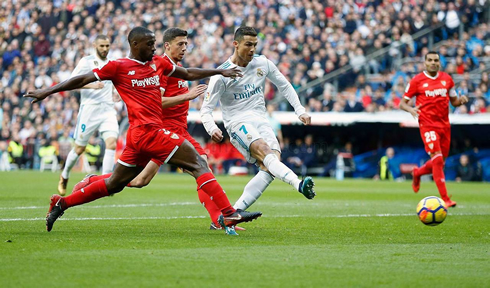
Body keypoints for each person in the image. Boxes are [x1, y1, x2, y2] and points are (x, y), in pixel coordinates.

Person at [24, 26, 261, 233]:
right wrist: (47, 91)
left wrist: (219, 71)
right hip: (150, 132)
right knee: (198, 162)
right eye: (150, 45)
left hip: (142, 136)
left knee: (115, 184)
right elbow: (81, 79)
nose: (154, 49)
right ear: (134, 45)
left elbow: (188, 73)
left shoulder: (158, 63)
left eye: (155, 45)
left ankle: (61, 203)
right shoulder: (118, 67)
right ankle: (228, 213)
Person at [200, 26, 316, 218]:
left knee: (270, 167)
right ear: (235, 44)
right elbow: (206, 109)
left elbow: (284, 85)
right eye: (248, 45)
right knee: (264, 151)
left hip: (261, 120)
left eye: (255, 45)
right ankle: (298, 184)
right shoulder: (222, 74)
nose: (252, 49)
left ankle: (230, 214)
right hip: (237, 123)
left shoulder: (262, 63)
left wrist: (300, 110)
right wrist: (212, 127)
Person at [400, 51, 468, 208]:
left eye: (435, 60)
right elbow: (402, 103)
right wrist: (411, 110)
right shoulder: (417, 81)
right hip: (427, 124)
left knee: (440, 163)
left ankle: (417, 173)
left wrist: (461, 101)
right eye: (429, 60)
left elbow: (454, 101)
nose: (433, 62)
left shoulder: (447, 80)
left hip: (445, 125)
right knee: (437, 159)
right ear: (425, 63)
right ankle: (445, 198)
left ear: (439, 63)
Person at [57, 35, 119, 196]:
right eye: (102, 46)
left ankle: (106, 183)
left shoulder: (112, 63)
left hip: (107, 109)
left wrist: (116, 92)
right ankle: (64, 175)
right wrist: (92, 86)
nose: (105, 49)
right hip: (89, 110)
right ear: (94, 45)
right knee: (79, 148)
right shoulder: (86, 61)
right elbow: (72, 83)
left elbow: (114, 83)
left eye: (107, 45)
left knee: (111, 143)